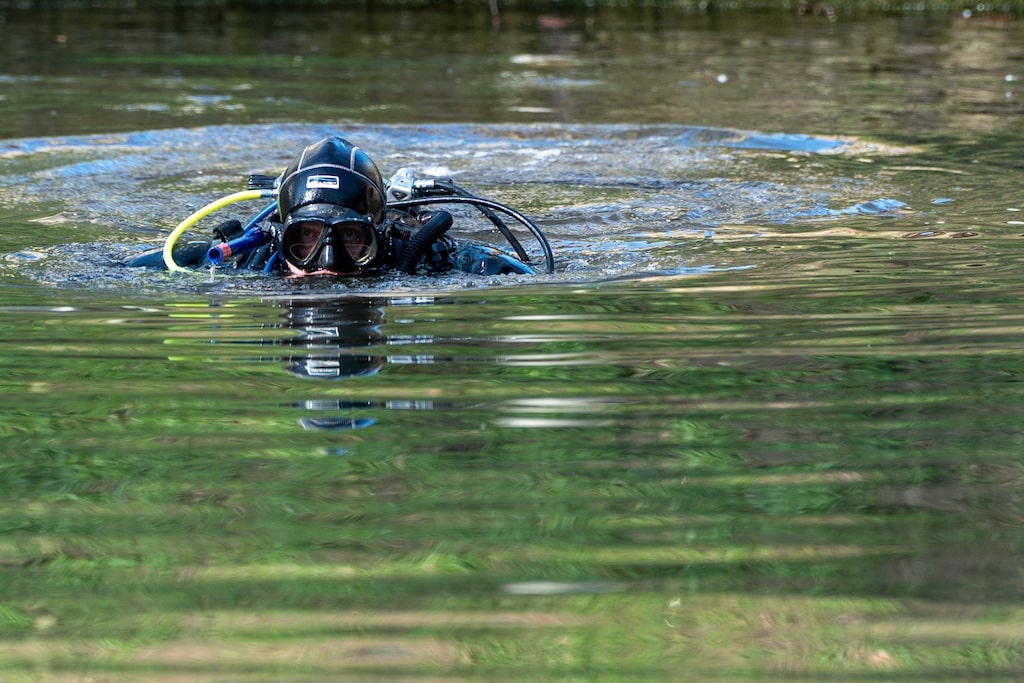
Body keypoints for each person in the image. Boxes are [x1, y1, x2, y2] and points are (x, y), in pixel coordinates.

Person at [129, 136, 554, 277]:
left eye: (352, 237)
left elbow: (525, 277)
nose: (326, 264)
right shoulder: (252, 256)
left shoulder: (419, 255)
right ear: (280, 236)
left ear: (380, 236)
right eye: (306, 239)